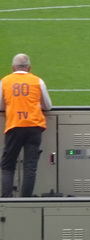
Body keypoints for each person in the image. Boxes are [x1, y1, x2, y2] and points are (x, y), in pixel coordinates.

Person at [1, 53, 52, 198]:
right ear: (29, 67)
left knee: (8, 165)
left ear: (13, 67)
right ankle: (26, 200)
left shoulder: (5, 81)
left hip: (14, 125)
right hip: (34, 126)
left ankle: (7, 199)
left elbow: (1, 105)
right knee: (30, 166)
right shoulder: (37, 81)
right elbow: (48, 106)